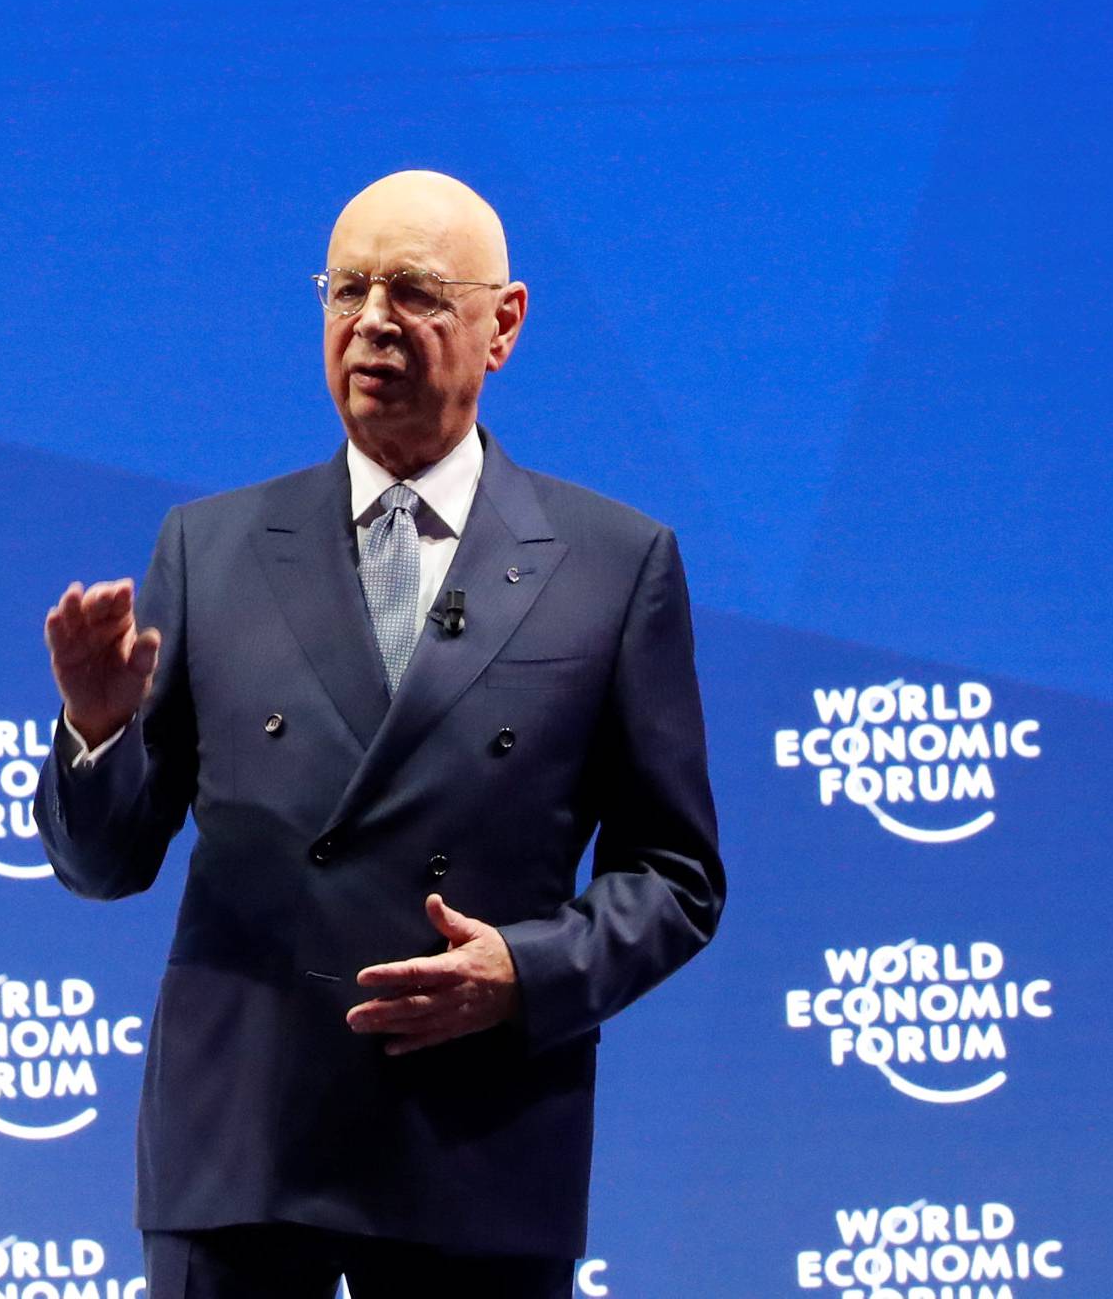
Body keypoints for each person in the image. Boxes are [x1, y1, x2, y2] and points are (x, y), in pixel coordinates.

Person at [38, 170, 724, 1299]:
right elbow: (103, 866)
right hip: (244, 1147)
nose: (369, 324)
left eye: (411, 292)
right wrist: (97, 730)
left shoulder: (614, 563)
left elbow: (678, 875)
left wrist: (528, 968)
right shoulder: (211, 550)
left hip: (478, 1137)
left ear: (502, 323)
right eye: (346, 289)